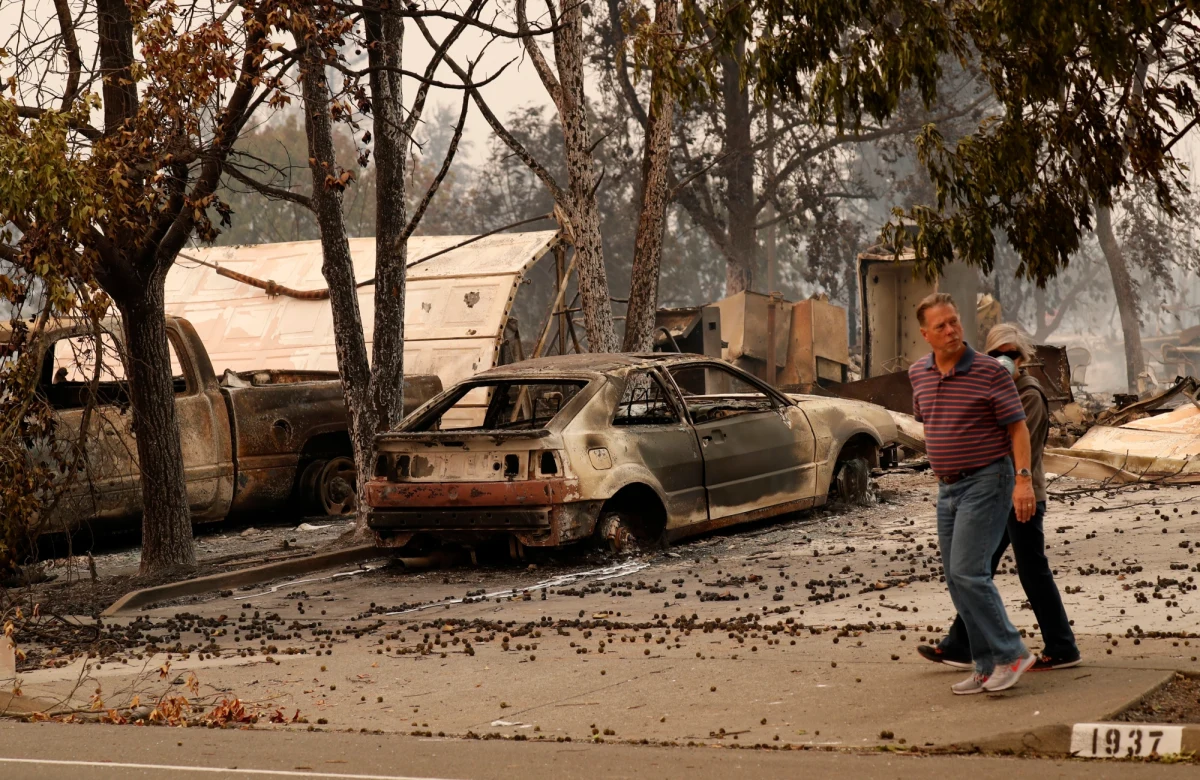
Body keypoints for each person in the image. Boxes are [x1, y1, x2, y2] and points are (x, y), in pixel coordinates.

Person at [918, 324, 1081, 671]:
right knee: (977, 570)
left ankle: (1062, 646)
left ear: (1024, 358)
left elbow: (1019, 450)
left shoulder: (1029, 394)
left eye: (1012, 354)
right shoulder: (994, 388)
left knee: (1029, 569)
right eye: (996, 354)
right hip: (993, 493)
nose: (1004, 360)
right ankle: (961, 643)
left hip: (1021, 494)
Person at [908, 293, 1037, 695]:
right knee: (956, 578)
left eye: (955, 322)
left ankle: (1011, 652)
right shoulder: (918, 373)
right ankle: (985, 666)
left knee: (969, 571)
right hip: (948, 488)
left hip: (988, 479)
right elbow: (929, 420)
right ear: (925, 334)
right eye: (941, 326)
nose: (951, 330)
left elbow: (1018, 430)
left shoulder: (989, 372)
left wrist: (1023, 480)